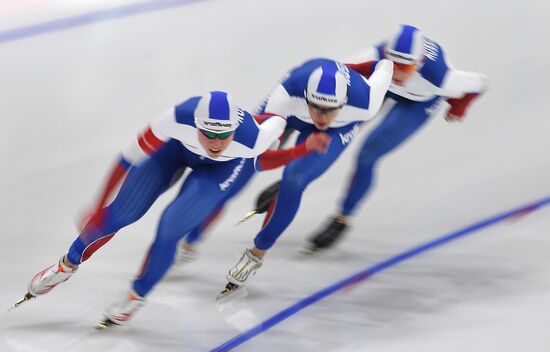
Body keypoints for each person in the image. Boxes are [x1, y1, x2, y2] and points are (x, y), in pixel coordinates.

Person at [13, 91, 329, 328]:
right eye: (209, 134)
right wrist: (97, 206)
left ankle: (136, 295)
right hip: (174, 152)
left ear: (234, 130)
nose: (216, 143)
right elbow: (127, 159)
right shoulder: (176, 117)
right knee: (121, 212)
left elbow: (263, 160)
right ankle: (66, 265)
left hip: (217, 172)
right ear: (196, 125)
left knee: (169, 228)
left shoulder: (255, 136)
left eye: (223, 135)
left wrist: (302, 148)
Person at [217, 57, 394, 298]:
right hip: (292, 113)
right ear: (308, 99)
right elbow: (263, 160)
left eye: (330, 109)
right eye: (317, 108)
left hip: (340, 127)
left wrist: (350, 69)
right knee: (249, 157)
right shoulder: (284, 97)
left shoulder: (367, 101)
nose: (322, 116)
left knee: (294, 180)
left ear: (342, 103)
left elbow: (385, 65)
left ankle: (256, 254)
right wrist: (294, 151)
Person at [306, 24, 490, 252]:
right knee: (336, 128)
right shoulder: (375, 57)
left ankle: (341, 219)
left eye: (407, 67)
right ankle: (296, 178)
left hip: (419, 102)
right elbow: (332, 71)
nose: (400, 74)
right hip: (384, 86)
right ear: (385, 57)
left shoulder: (441, 78)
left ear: (420, 63)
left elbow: (480, 83)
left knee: (367, 155)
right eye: (396, 66)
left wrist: (460, 106)